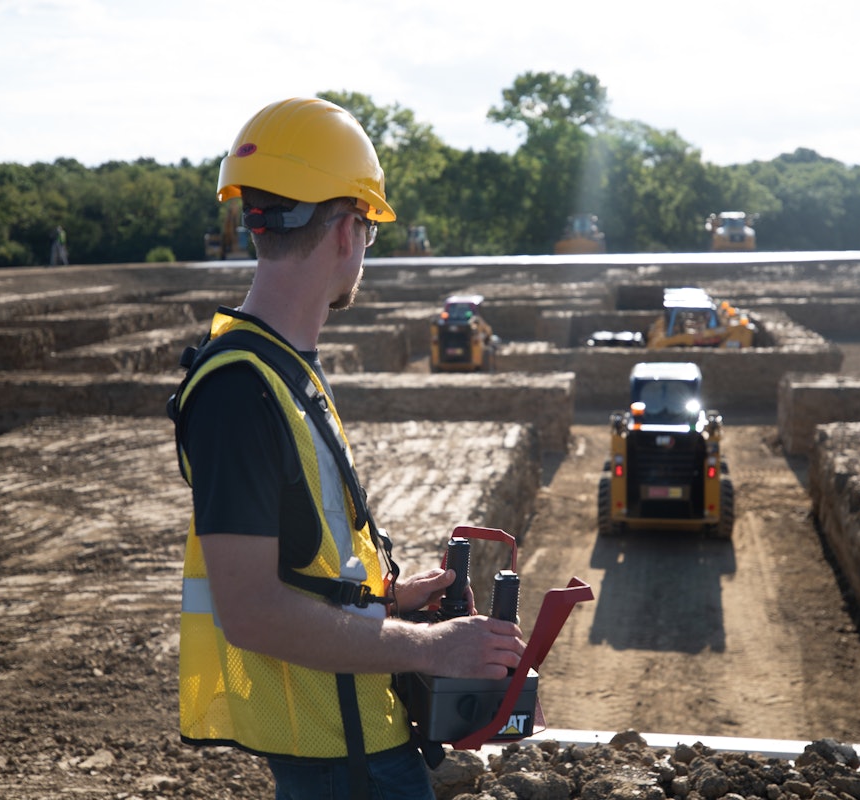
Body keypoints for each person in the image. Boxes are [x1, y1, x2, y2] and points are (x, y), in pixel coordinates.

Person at [168, 97, 525, 800]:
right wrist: (433, 645)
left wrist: (383, 597)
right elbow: (251, 612)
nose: (366, 247)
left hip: (359, 737)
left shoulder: (283, 369)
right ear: (344, 230)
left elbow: (299, 557)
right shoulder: (242, 390)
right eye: (369, 226)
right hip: (341, 761)